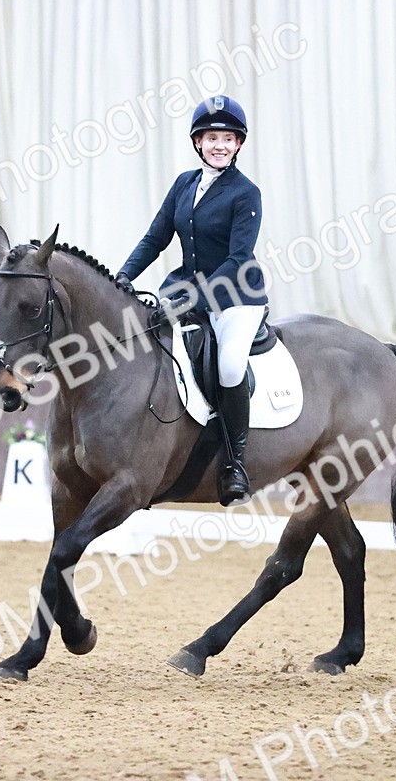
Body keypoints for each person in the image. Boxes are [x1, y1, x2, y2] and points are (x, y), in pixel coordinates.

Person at [116, 95, 267, 506]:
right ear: (198, 142)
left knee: (230, 363)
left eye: (228, 138)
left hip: (236, 297)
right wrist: (124, 275)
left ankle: (236, 463)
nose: (219, 145)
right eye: (211, 137)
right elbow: (156, 237)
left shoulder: (246, 194)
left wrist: (196, 297)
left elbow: (238, 259)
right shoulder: (184, 184)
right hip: (184, 290)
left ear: (238, 145)